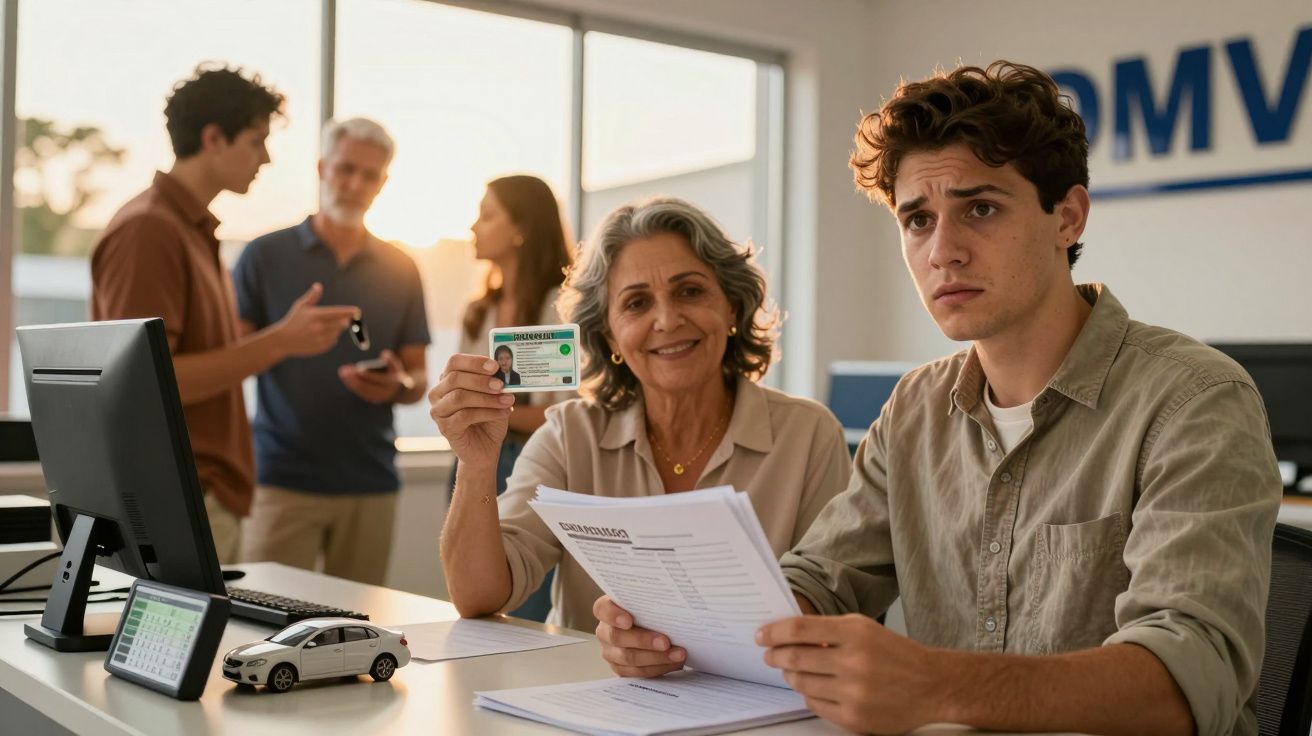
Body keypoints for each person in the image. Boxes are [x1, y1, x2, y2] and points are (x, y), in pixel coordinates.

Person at [595, 62, 1281, 736]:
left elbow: (1191, 680)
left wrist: (936, 685)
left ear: (1066, 217)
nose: (943, 251)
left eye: (979, 209)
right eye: (917, 220)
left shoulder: (1195, 400)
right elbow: (823, 580)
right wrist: (681, 627)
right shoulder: (916, 408)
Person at [431, 196, 853, 633]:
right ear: (609, 335)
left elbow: (835, 611)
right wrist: (477, 465)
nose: (667, 320)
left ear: (731, 306)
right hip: (594, 696)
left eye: (689, 291)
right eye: (636, 303)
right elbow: (477, 596)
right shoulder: (569, 435)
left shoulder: (808, 436)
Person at [90, 66, 358, 564]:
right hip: (176, 499)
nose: (267, 157)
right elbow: (148, 384)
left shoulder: (188, 230)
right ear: (213, 138)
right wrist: (279, 342)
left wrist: (281, 339)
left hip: (199, 497)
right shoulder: (150, 230)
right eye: (257, 141)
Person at [232, 118, 430, 585]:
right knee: (262, 623)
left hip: (371, 483)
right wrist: (284, 336)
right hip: (281, 480)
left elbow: (418, 379)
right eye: (346, 169)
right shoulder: (263, 255)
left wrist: (395, 386)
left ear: (383, 183)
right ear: (322, 168)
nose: (355, 184)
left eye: (370, 175)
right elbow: (232, 357)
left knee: (356, 634)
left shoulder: (403, 268)